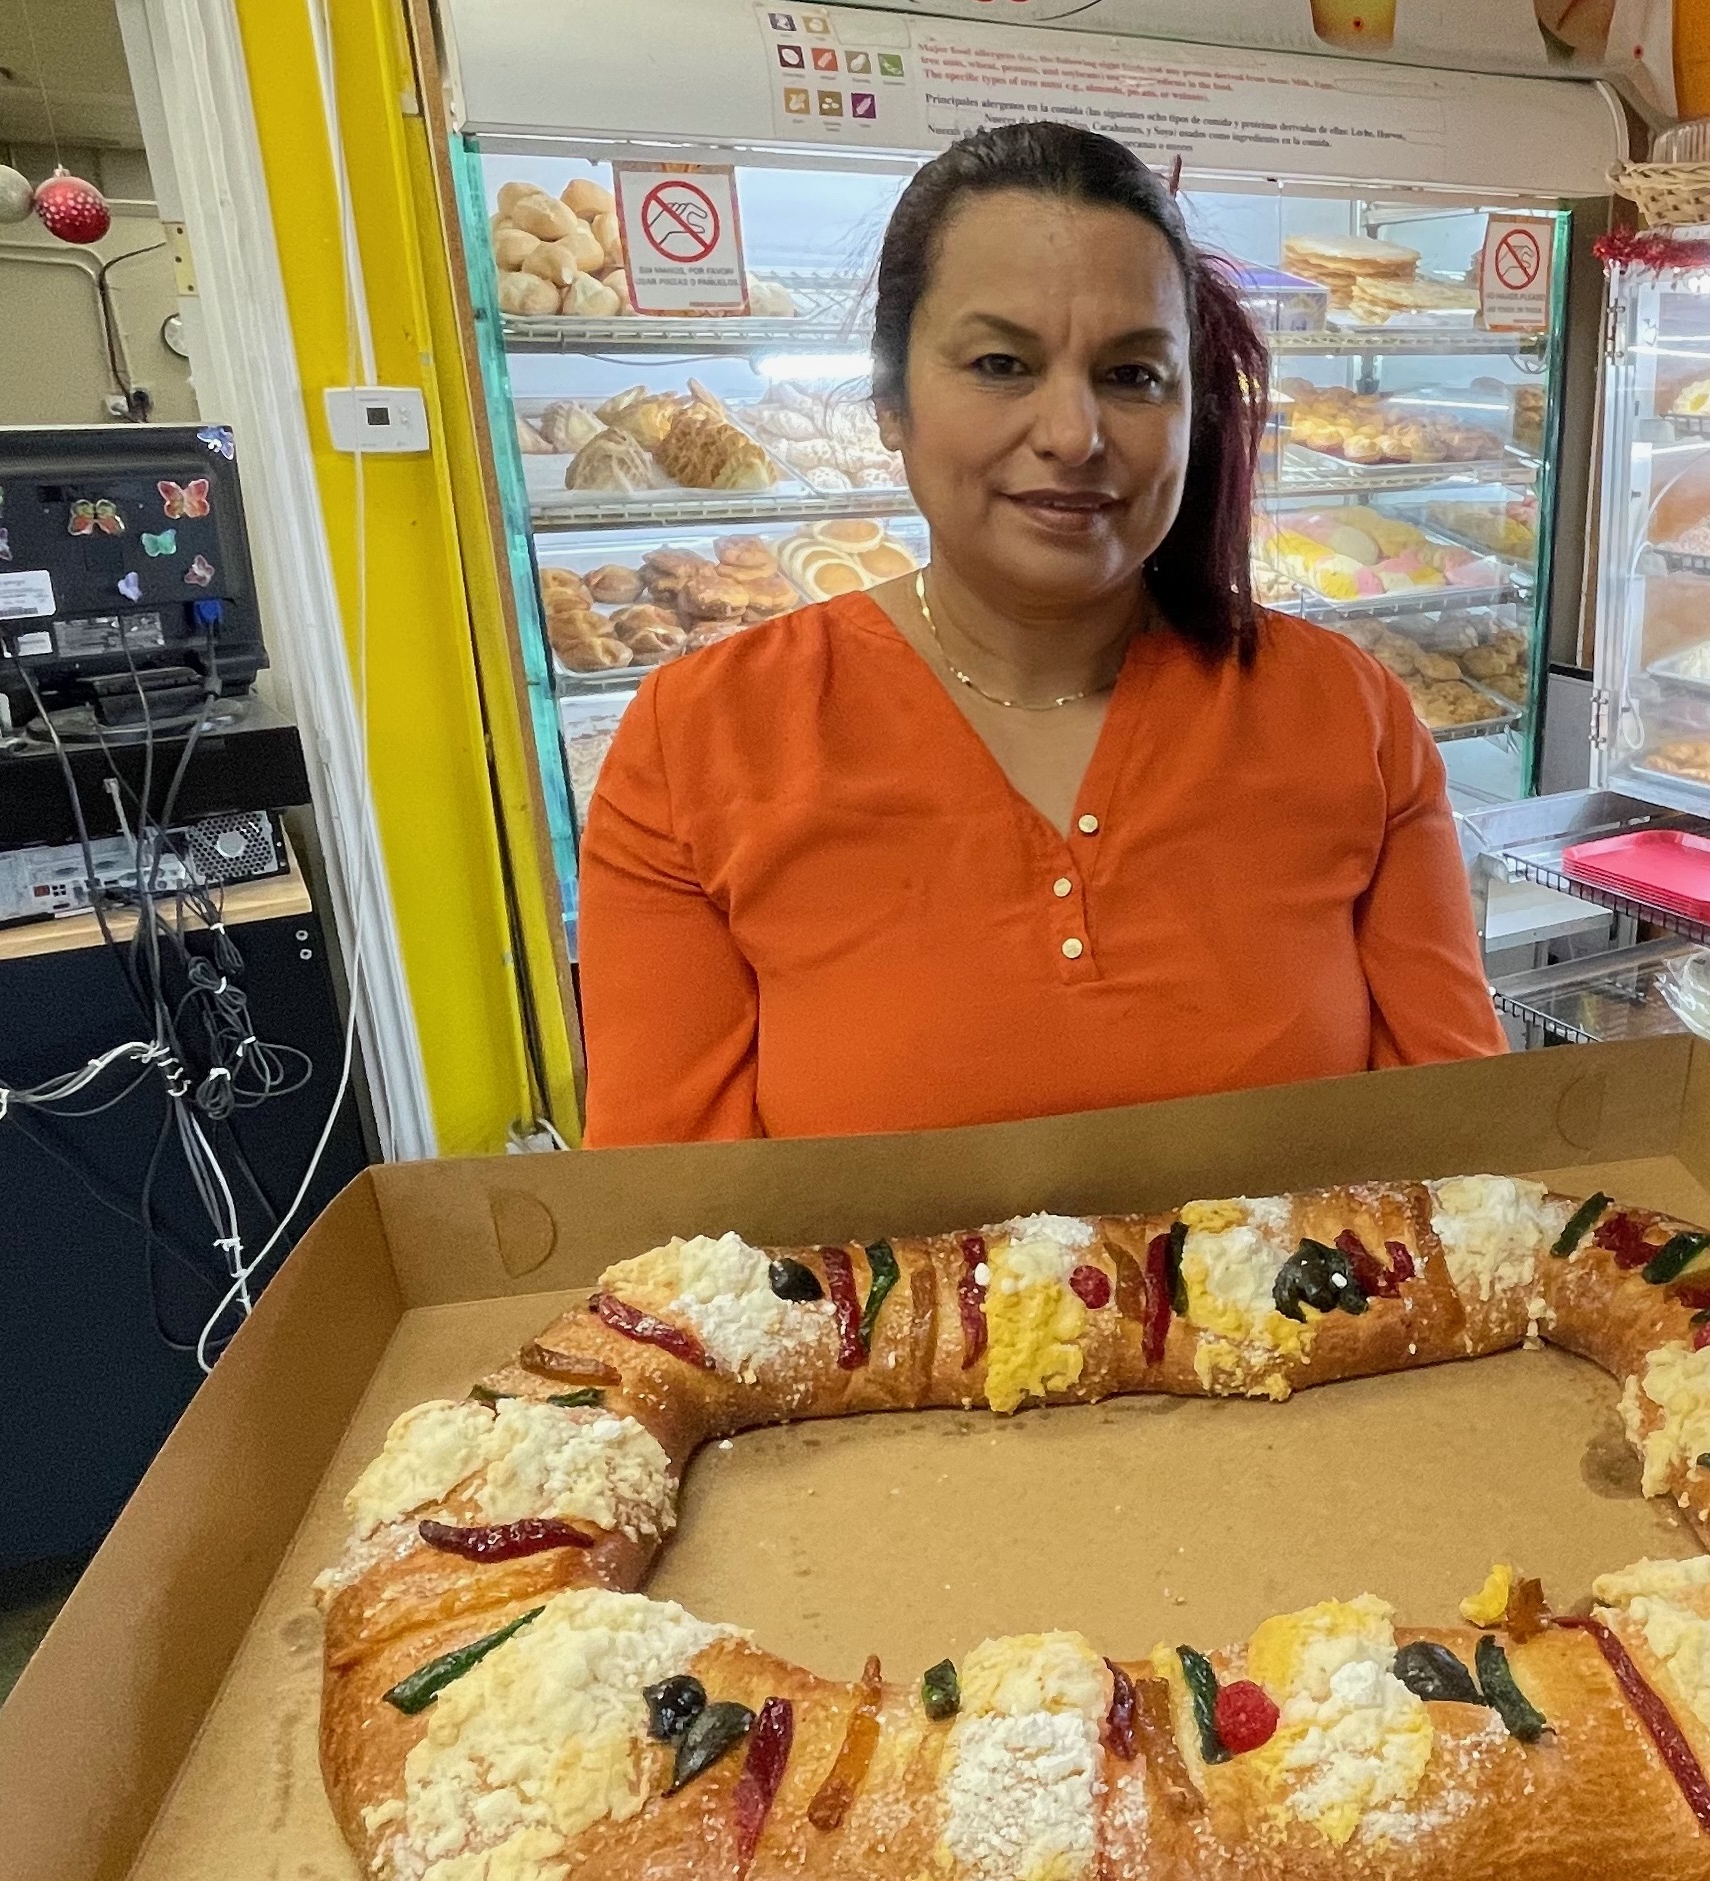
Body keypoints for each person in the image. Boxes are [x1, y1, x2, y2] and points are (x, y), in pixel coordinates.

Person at [579, 123, 1499, 1143]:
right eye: (1000, 363)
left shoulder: (1349, 717)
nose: (1073, 434)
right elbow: (677, 1216)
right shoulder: (700, 742)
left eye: (1133, 375)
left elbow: (1457, 1155)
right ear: (890, 400)